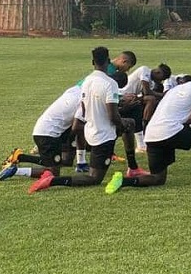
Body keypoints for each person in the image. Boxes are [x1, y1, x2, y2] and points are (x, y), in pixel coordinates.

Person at [28, 47, 143, 194]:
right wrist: (120, 124)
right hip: (103, 136)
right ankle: (53, 180)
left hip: (89, 132)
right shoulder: (110, 83)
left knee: (64, 162)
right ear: (108, 62)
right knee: (95, 178)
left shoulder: (86, 81)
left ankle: (83, 162)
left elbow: (83, 111)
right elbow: (112, 116)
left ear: (92, 62)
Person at [103, 71, 191, 194]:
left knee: (158, 178)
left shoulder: (175, 89)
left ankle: (123, 181)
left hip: (152, 136)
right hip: (169, 132)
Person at [120, 63, 172, 152]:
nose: (160, 82)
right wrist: (163, 95)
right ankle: (145, 124)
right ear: (158, 72)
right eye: (162, 79)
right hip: (122, 95)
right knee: (151, 99)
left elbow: (144, 94)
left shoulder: (151, 83)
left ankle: (148, 126)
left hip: (132, 97)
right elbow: (147, 91)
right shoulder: (144, 70)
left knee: (152, 100)